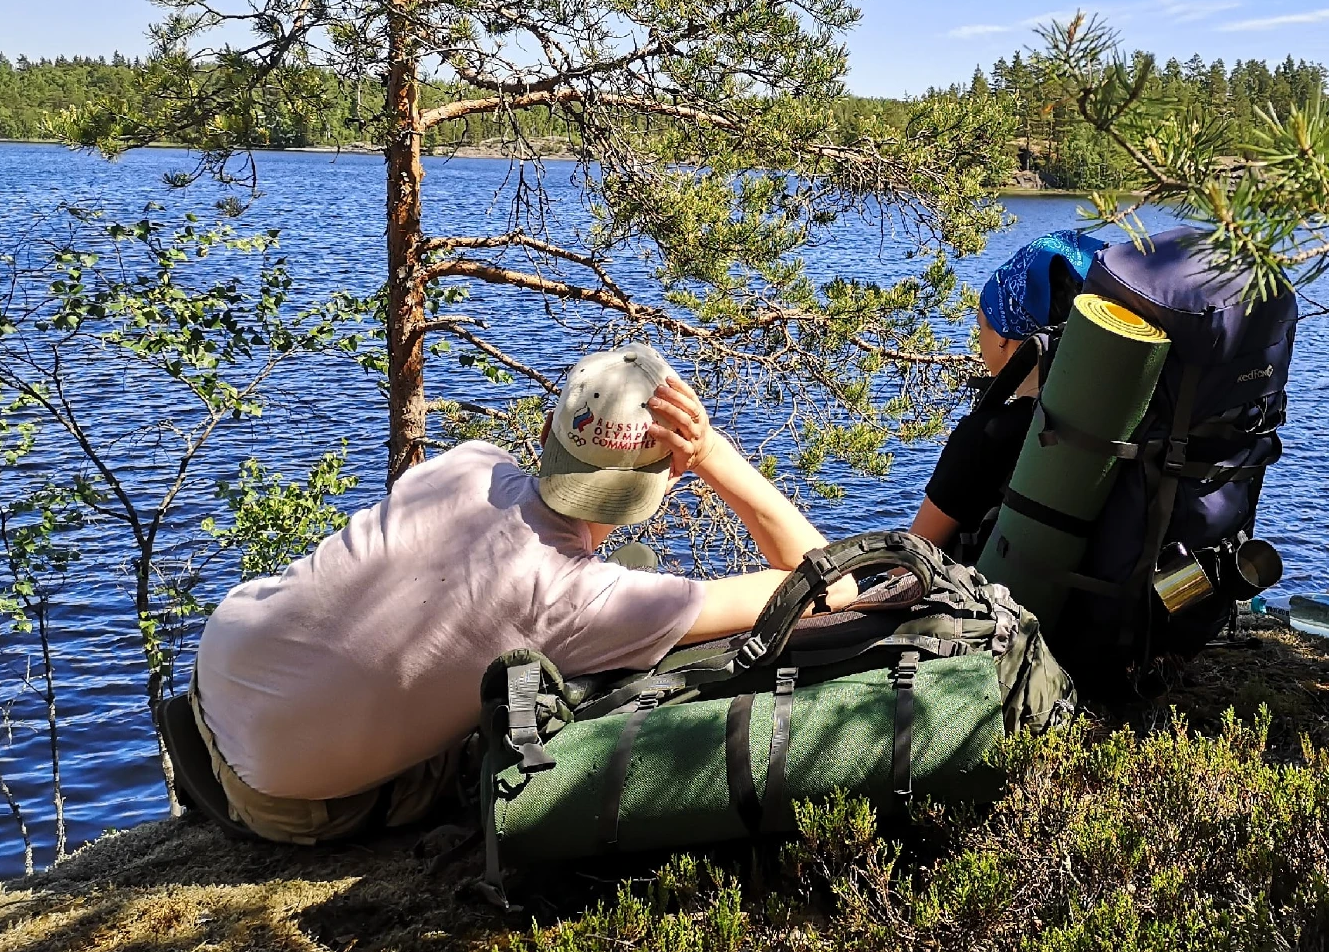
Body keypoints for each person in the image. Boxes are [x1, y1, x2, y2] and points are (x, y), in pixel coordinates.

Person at [190, 344, 853, 844]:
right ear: (654, 492)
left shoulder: (468, 465)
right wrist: (714, 455)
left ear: (545, 436)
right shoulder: (583, 598)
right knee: (504, 724)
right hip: (280, 796)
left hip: (222, 661)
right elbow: (832, 582)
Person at [908, 228, 1104, 556]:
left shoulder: (986, 435)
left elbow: (909, 562)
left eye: (981, 323)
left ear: (1004, 336)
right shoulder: (1111, 426)